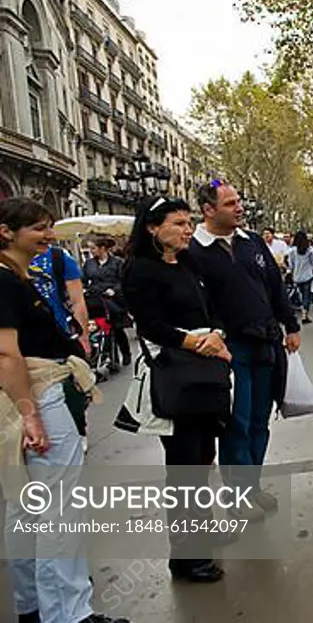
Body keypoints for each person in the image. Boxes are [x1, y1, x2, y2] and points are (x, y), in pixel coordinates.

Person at [0, 198, 128, 623]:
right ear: (6, 232)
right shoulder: (4, 282)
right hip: (39, 395)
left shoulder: (14, 278)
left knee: (24, 505)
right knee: (57, 510)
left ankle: (33, 607)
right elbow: (6, 354)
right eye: (39, 228)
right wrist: (30, 414)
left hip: (26, 398)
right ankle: (68, 614)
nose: (49, 236)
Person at [122, 196, 231, 584]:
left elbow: (212, 306)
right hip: (176, 376)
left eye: (188, 223)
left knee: (202, 461)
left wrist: (217, 333)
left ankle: (196, 540)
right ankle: (188, 557)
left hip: (206, 373)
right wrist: (197, 343)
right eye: (179, 223)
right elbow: (150, 325)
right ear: (153, 228)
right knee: (184, 467)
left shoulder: (188, 263)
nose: (188, 230)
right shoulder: (140, 271)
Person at [189, 180, 301, 522]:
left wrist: (290, 324)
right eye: (229, 203)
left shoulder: (252, 242)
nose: (239, 208)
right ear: (209, 210)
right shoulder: (194, 250)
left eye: (239, 202)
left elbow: (274, 286)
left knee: (259, 420)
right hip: (229, 348)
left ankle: (251, 486)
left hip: (265, 342)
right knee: (235, 423)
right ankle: (237, 496)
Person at [30, 244, 89, 357]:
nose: (49, 234)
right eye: (39, 228)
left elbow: (77, 301)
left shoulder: (59, 258)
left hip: (58, 335)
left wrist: (83, 338)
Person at [82, 237, 132, 367]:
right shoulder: (89, 264)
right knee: (99, 327)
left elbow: (124, 281)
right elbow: (83, 280)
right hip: (96, 298)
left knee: (117, 328)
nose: (91, 251)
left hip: (113, 299)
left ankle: (126, 353)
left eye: (93, 248)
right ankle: (106, 354)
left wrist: (114, 290)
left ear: (102, 248)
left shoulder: (118, 263)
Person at [288, 231, 313, 324]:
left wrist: (292, 273)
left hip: (297, 276)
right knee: (306, 295)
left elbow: (291, 264)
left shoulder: (292, 251)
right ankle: (305, 313)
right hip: (307, 276)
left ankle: (303, 308)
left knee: (300, 294)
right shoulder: (310, 250)